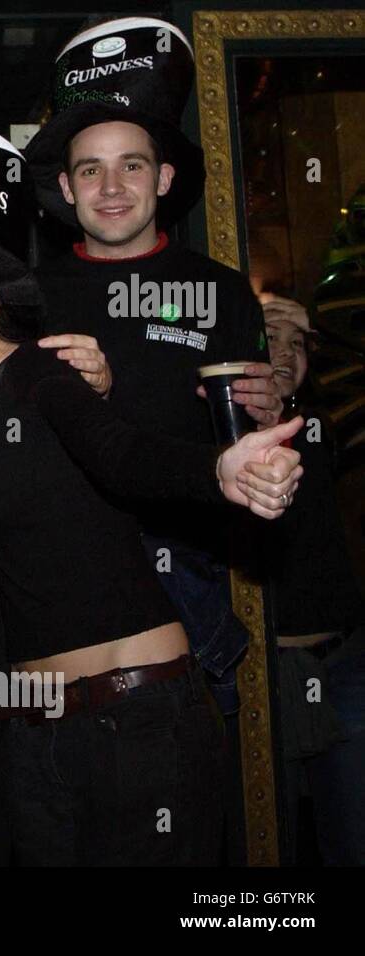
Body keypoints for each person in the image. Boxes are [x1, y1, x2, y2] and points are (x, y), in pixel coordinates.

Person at [0, 123, 304, 865]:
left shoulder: (43, 375)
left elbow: (123, 455)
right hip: (36, 730)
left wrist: (219, 470)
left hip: (135, 714)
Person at [25, 17, 284, 724]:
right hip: (63, 585)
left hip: (191, 578)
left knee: (195, 804)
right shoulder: (27, 297)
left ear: (164, 178)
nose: (112, 187)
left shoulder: (222, 288)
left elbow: (261, 434)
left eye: (132, 165)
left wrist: (273, 403)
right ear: (68, 189)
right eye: (90, 170)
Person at [262, 294, 365, 865]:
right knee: (270, 843)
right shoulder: (216, 431)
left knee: (350, 838)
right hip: (264, 676)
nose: (284, 351)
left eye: (296, 344)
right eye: (270, 336)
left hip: (343, 662)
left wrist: (312, 327)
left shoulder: (327, 427)